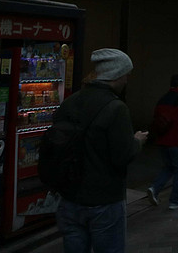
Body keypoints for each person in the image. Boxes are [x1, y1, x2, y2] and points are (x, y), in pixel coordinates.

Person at [55, 48, 147, 253]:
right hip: (104, 199)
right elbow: (122, 155)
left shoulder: (70, 102)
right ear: (117, 74)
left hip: (69, 196)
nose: (127, 80)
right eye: (126, 74)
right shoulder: (116, 108)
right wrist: (137, 141)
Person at [146, 73, 178, 210]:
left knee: (168, 167)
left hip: (162, 140)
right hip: (177, 141)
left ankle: (154, 188)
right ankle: (175, 200)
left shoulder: (161, 100)